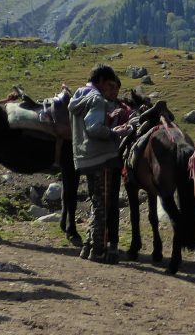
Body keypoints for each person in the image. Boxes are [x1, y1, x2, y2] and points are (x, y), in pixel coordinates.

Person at [69, 64, 132, 264]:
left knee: (96, 203)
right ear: (103, 81)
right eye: (110, 85)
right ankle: (98, 250)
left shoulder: (79, 95)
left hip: (85, 156)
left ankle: (88, 247)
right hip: (101, 157)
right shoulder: (96, 98)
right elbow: (94, 127)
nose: (111, 90)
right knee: (103, 206)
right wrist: (115, 132)